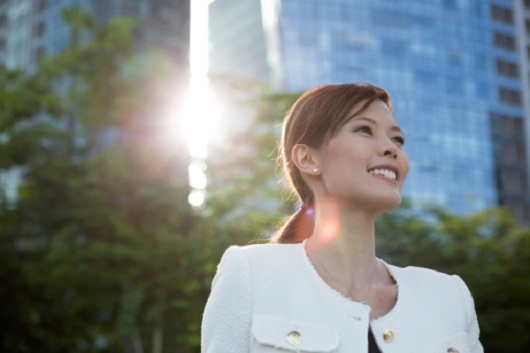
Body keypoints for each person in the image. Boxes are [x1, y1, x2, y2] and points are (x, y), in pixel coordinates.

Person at [201, 82, 483, 352]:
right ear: (308, 159)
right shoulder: (252, 273)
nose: (391, 148)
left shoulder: (449, 296)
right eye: (364, 129)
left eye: (397, 138)